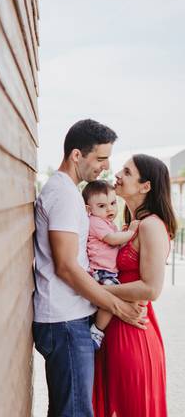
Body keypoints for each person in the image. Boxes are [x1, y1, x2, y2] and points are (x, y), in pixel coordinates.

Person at [33, 119, 146, 417]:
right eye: (100, 158)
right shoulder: (63, 195)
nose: (106, 167)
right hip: (65, 321)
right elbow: (66, 267)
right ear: (76, 155)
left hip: (69, 319)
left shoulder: (68, 192)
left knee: (67, 409)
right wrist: (116, 306)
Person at [93, 154, 176, 417]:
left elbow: (151, 289)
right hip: (115, 325)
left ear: (145, 186)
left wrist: (98, 291)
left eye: (127, 172)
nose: (118, 174)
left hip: (133, 334)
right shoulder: (128, 225)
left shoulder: (151, 226)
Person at [81, 180, 140, 349]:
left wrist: (123, 233)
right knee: (110, 301)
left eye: (113, 203)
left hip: (107, 271)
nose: (110, 209)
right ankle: (97, 330)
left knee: (113, 298)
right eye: (102, 206)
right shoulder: (95, 221)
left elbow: (116, 243)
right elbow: (112, 240)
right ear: (89, 209)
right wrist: (131, 232)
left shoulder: (108, 223)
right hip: (101, 271)